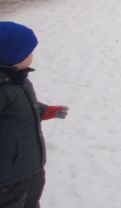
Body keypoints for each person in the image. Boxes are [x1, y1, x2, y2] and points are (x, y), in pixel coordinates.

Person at [0, 22, 69, 207]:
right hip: (7, 179)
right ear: (12, 57)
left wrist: (45, 111)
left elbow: (22, 108)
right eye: (28, 52)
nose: (32, 56)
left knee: (31, 201)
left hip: (30, 167)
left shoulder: (18, 79)